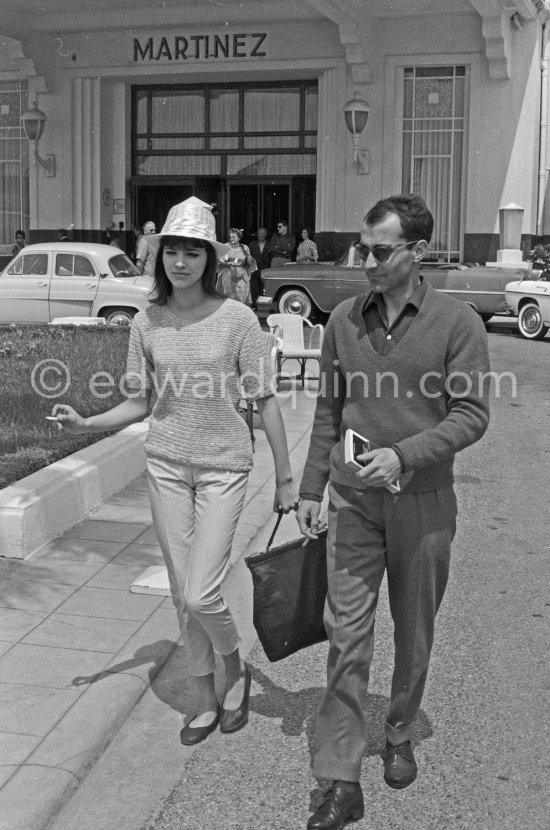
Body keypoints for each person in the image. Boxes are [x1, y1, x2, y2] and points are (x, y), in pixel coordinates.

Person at [51, 196, 298, 747]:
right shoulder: (147, 321)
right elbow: (138, 402)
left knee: (201, 594)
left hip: (223, 469)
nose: (181, 262)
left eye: (193, 252)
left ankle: (235, 665)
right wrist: (84, 423)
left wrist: (284, 478)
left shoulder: (237, 320)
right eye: (172, 251)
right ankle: (205, 694)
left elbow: (266, 399)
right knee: (181, 589)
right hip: (165, 466)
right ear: (159, 256)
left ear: (209, 260)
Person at [297, 194, 490, 830]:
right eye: (362, 249)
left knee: (414, 629)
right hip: (351, 501)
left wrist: (404, 457)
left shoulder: (457, 322)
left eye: (380, 251)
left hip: (424, 504)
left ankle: (400, 729)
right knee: (346, 635)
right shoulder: (343, 321)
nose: (366, 262)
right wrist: (309, 487)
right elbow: (329, 409)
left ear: (418, 251)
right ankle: (341, 779)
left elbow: (471, 414)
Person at [217, 227, 256, 305]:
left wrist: (248, 255)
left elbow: (249, 262)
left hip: (241, 274)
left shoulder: (244, 247)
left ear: (239, 237)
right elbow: (220, 259)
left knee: (242, 294)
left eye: (233, 237)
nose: (231, 239)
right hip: (227, 273)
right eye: (230, 237)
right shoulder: (225, 246)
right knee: (228, 296)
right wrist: (226, 263)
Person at [248, 227, 271, 309]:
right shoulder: (251, 245)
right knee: (254, 290)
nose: (261, 235)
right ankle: (254, 306)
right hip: (254, 271)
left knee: (264, 290)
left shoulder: (270, 244)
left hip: (266, 270)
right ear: (257, 234)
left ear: (266, 235)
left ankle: (263, 307)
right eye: (260, 233)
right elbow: (248, 257)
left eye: (263, 233)